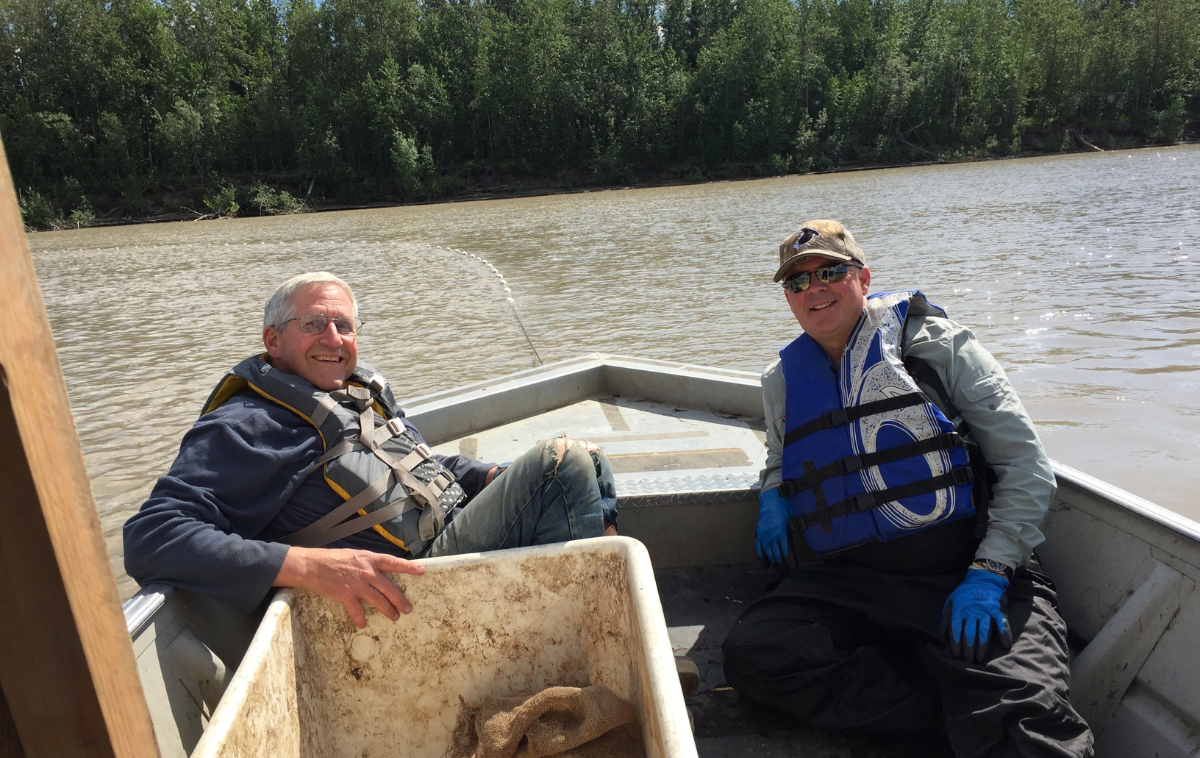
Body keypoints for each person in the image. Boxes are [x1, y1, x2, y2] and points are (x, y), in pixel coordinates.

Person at [721, 221, 1093, 757]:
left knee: (1027, 723)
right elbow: (783, 457)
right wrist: (772, 492)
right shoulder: (781, 379)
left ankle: (977, 705)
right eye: (797, 283)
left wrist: (989, 573)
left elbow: (1027, 468)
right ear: (787, 298)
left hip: (961, 570)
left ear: (863, 278)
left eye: (830, 272)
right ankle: (949, 709)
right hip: (847, 578)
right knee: (756, 654)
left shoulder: (943, 349)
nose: (814, 289)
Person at [124, 272, 618, 628]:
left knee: (589, 459)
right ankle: (587, 643)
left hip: (446, 535)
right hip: (408, 590)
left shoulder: (353, 394)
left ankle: (611, 623)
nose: (334, 339)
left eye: (345, 326)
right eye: (315, 324)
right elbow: (152, 535)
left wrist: (483, 475)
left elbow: (409, 465)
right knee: (562, 464)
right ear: (272, 340)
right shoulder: (246, 426)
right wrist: (308, 566)